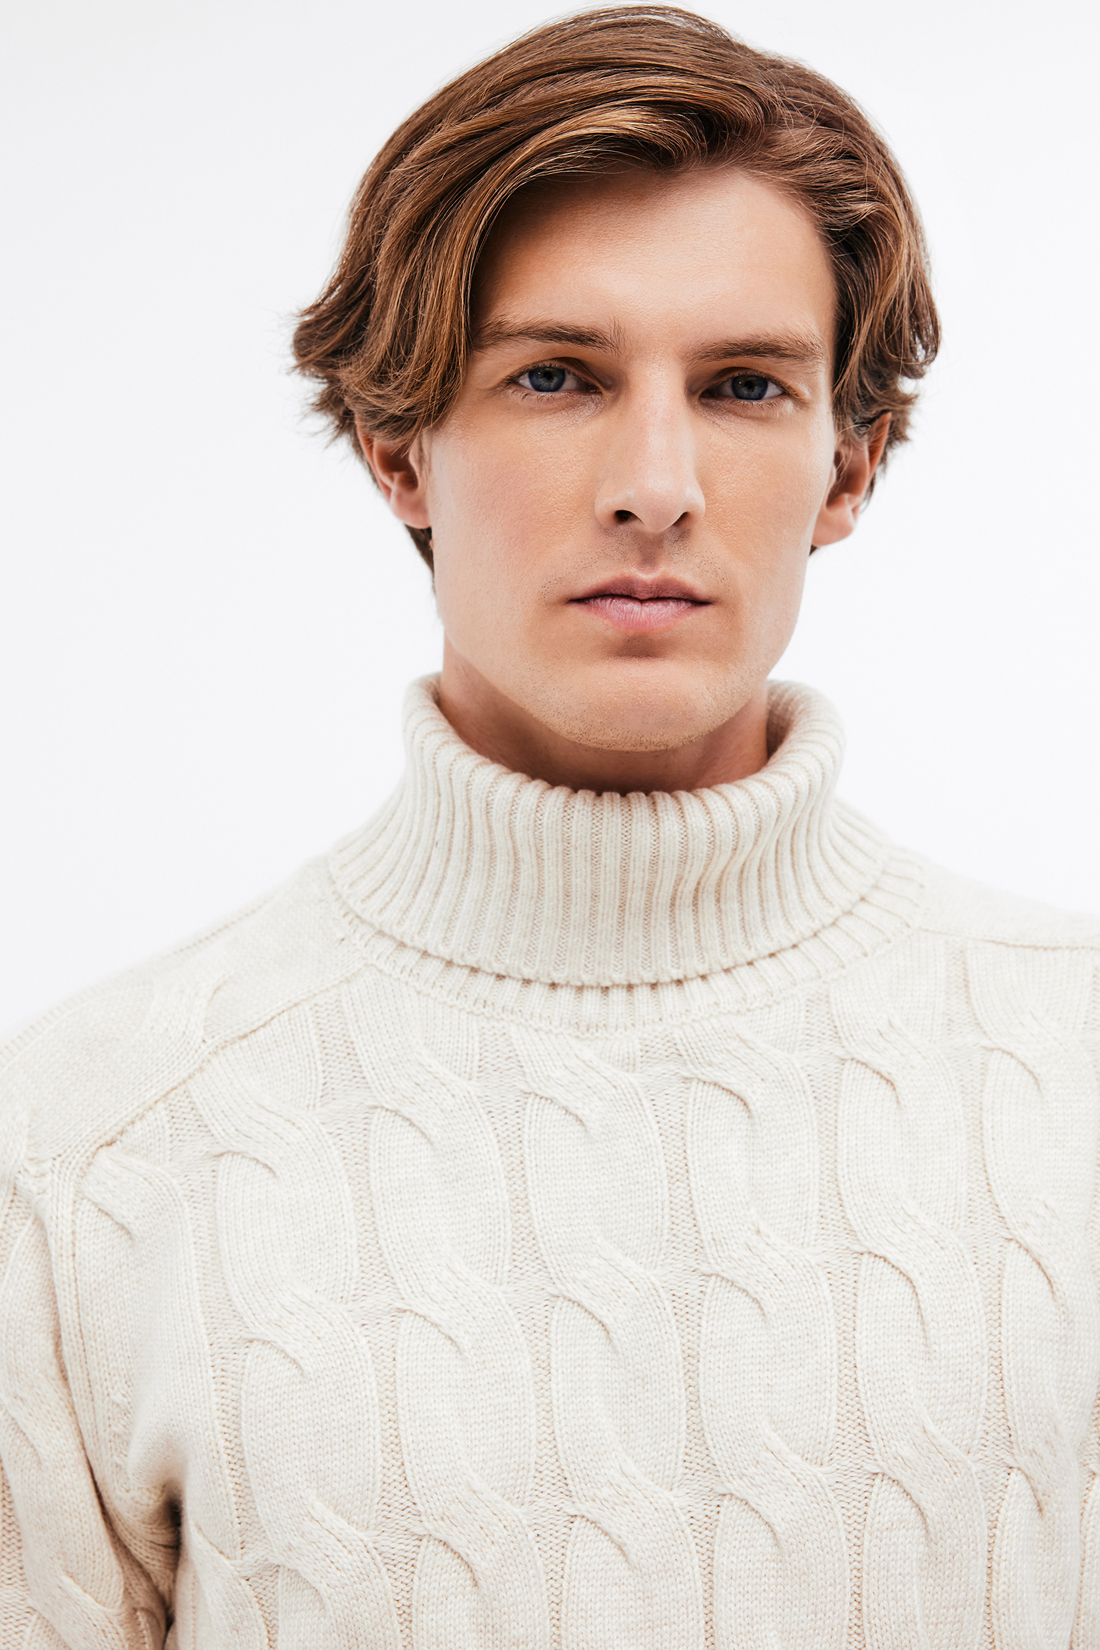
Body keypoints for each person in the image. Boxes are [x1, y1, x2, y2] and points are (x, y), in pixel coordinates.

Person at [2, 5, 1098, 1645]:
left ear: (850, 464)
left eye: (742, 384)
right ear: (398, 446)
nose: (654, 482)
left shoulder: (1074, 1068)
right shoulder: (86, 1153)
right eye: (555, 376)